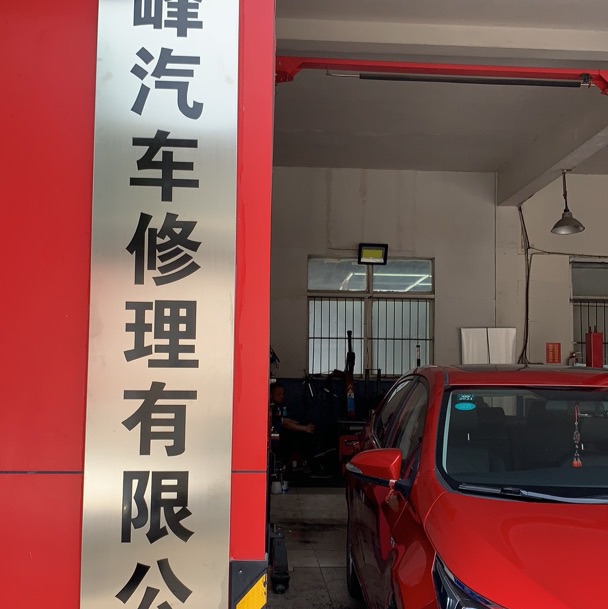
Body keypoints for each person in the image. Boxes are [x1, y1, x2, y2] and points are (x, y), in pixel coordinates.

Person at [269, 382, 328, 477]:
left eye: (283, 394)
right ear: (271, 395)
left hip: (281, 436)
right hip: (276, 439)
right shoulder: (272, 406)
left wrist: (301, 425)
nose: (282, 397)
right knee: (299, 437)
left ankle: (312, 464)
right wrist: (304, 428)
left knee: (301, 434)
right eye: (279, 394)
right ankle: (314, 467)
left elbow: (285, 420)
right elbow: (285, 424)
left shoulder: (276, 406)